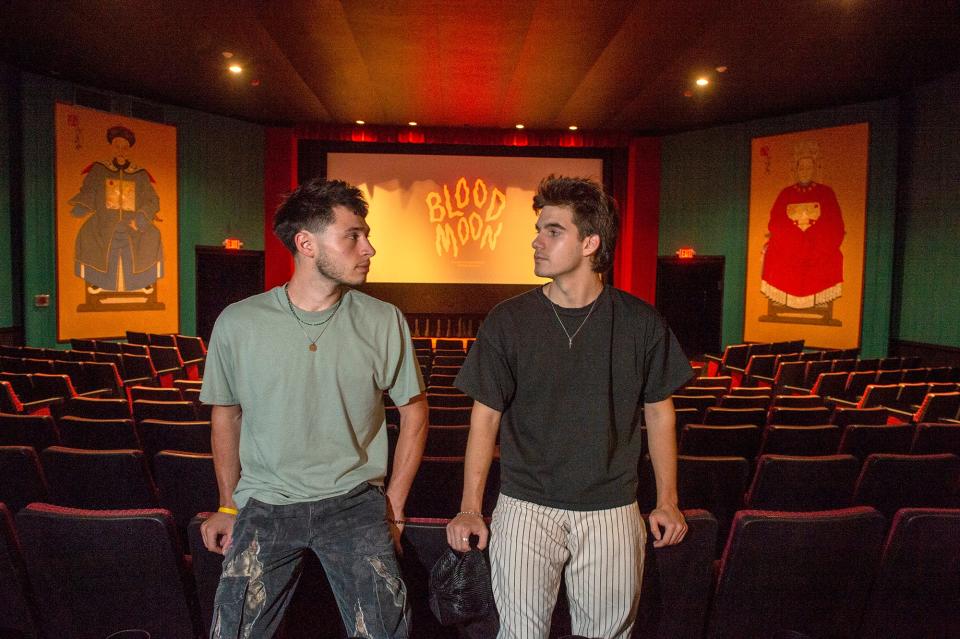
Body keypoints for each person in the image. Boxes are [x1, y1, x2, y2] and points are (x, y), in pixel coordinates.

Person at [446, 175, 692, 639]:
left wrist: (668, 501)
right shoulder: (508, 320)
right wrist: (470, 507)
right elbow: (485, 419)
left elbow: (660, 414)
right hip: (524, 507)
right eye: (538, 229)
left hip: (612, 509)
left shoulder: (641, 322)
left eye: (552, 231)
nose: (536, 241)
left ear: (590, 243)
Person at [199, 177, 428, 639]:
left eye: (366, 235)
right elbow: (226, 415)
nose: (369, 248)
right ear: (306, 243)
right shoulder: (238, 322)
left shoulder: (383, 319)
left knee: (385, 631)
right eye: (354, 236)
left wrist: (394, 507)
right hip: (264, 503)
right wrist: (227, 505)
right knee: (232, 631)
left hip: (355, 501)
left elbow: (416, 413)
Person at [68, 125, 164, 294]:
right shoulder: (99, 169)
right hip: (105, 220)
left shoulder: (139, 174)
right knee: (88, 234)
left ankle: (142, 280)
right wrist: (81, 206)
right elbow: (89, 191)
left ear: (129, 150)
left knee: (153, 235)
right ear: (112, 146)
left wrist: (142, 215)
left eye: (125, 148)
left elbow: (152, 199)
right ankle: (98, 280)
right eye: (118, 146)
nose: (121, 151)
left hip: (133, 222)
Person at [760, 140, 845, 320]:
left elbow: (835, 224)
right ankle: (778, 307)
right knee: (771, 255)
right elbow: (776, 222)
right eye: (801, 168)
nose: (805, 171)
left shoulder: (826, 193)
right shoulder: (786, 194)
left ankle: (821, 306)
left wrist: (811, 239)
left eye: (808, 167)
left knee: (834, 257)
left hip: (817, 246)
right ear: (796, 169)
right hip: (789, 245)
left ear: (814, 169)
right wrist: (795, 238)